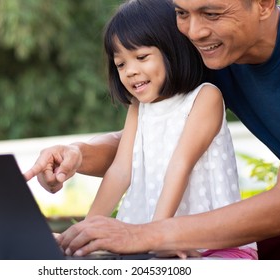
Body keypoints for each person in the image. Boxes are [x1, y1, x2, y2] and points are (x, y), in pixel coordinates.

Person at [24, 0, 280, 260]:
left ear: (263, 4)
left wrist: (146, 235)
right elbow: (153, 138)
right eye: (182, 13)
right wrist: (77, 155)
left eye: (211, 13)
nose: (194, 32)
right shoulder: (212, 51)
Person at [82, 0, 257, 259]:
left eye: (141, 57)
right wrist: (86, 232)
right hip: (151, 245)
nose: (130, 71)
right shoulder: (138, 109)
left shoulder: (205, 97)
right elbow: (120, 172)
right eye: (120, 64)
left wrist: (156, 237)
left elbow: (180, 164)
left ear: (172, 51)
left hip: (214, 247)